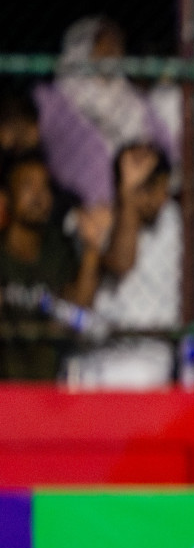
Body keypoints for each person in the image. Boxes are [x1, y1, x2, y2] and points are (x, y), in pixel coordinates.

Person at [64, 144, 180, 388]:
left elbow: (122, 262)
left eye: (161, 186)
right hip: (96, 361)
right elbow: (121, 261)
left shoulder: (173, 222)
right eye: (148, 188)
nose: (161, 196)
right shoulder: (96, 221)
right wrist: (128, 191)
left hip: (148, 364)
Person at [33, 16, 179, 209]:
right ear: (84, 46)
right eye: (104, 43)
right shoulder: (55, 98)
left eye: (117, 44)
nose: (113, 50)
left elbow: (163, 144)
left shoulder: (132, 98)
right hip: (90, 206)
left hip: (144, 194)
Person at [0, 150, 109, 380]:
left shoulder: (59, 249)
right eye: (28, 185)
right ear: (6, 197)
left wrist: (92, 248)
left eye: (45, 186)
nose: (39, 196)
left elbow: (80, 305)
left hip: (50, 390)